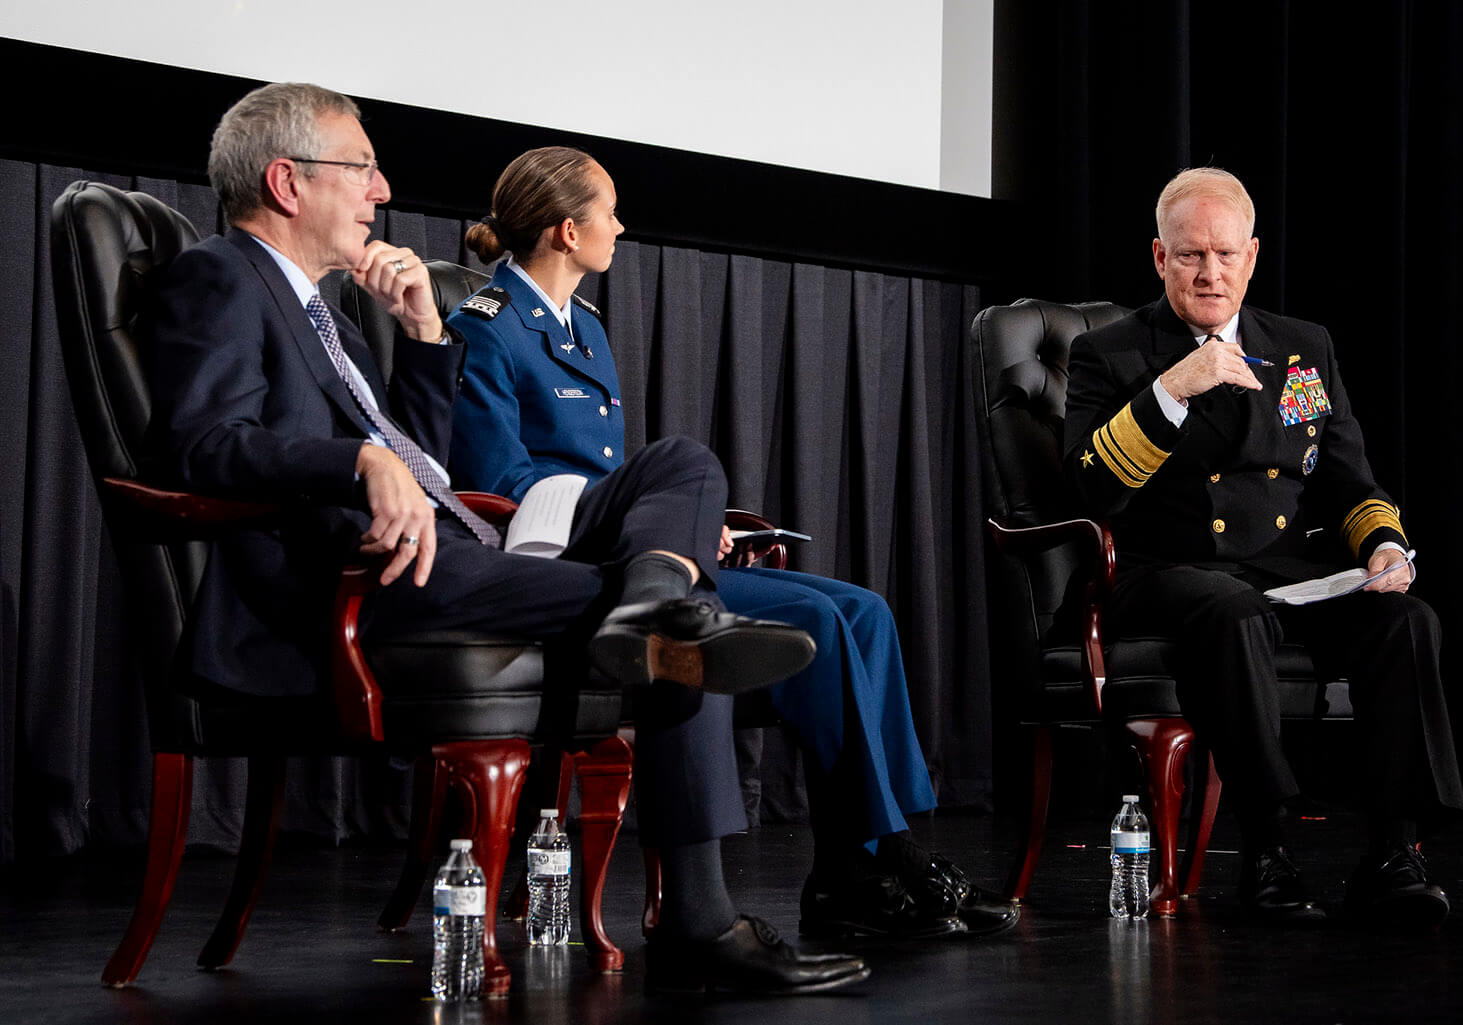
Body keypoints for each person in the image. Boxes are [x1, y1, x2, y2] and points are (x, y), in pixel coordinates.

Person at [145, 81, 870, 995]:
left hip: (452, 553)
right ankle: (700, 920)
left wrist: (420, 335)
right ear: (289, 182)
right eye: (363, 167)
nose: (381, 189)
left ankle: (651, 593)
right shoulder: (221, 275)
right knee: (690, 632)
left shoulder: (320, 308)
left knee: (681, 463)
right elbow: (205, 446)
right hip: (356, 585)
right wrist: (358, 462)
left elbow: (425, 463)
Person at [445, 147, 1018, 940]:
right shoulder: (486, 328)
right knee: (816, 622)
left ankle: (873, 853)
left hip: (634, 551)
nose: (621, 224)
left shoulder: (586, 328)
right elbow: (502, 487)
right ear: (569, 229)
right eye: (609, 211)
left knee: (866, 611)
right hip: (575, 567)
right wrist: (640, 516)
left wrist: (678, 524)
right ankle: (875, 859)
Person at [1063, 167, 1463, 927]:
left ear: (1251, 256)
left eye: (1223, 254)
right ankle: (1266, 849)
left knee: (1408, 619)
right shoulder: (1109, 354)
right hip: (1165, 569)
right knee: (1231, 608)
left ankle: (1394, 851)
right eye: (1189, 256)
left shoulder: (1302, 348)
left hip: (1287, 570)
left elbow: (1350, 480)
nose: (1209, 272)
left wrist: (1384, 547)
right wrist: (1172, 388)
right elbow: (1092, 491)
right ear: (1159, 258)